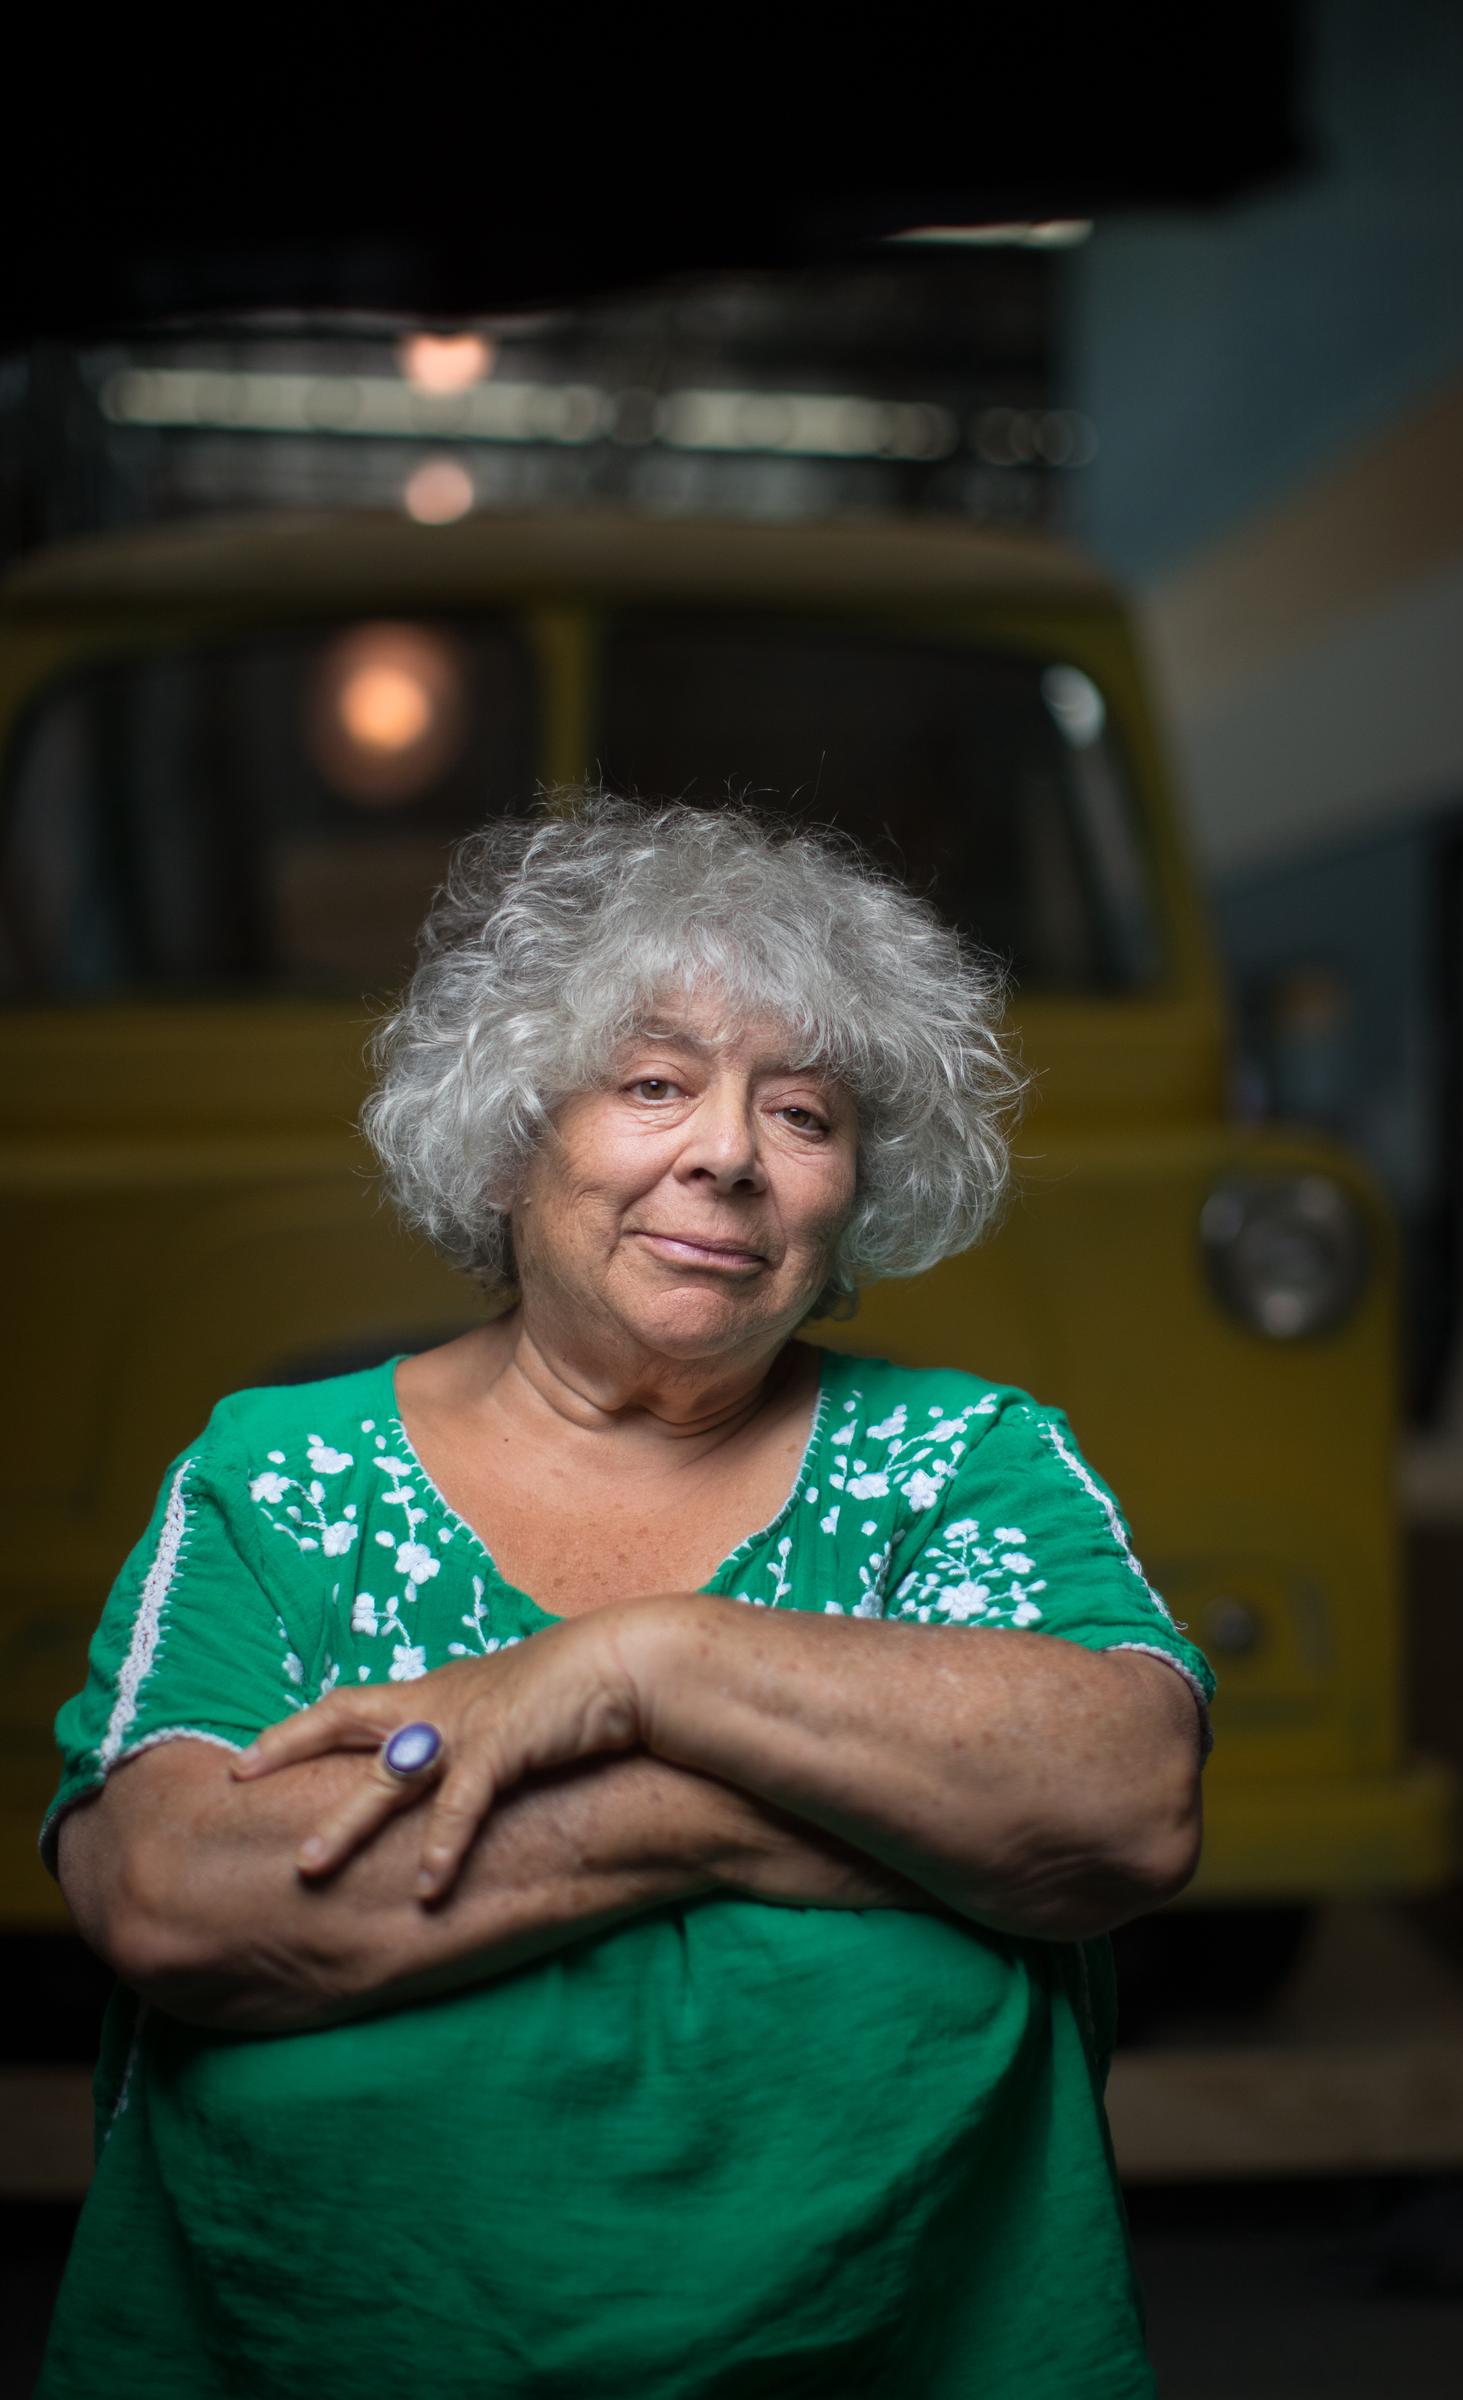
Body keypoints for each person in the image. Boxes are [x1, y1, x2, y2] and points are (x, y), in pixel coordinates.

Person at [42, 795, 1214, 2399]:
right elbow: (174, 1892)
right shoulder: (276, 1476)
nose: (728, 1154)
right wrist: (774, 1809)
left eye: (804, 1116)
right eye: (654, 1086)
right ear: (517, 1138)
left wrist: (647, 1665)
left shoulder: (960, 1461)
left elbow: (1126, 1797)